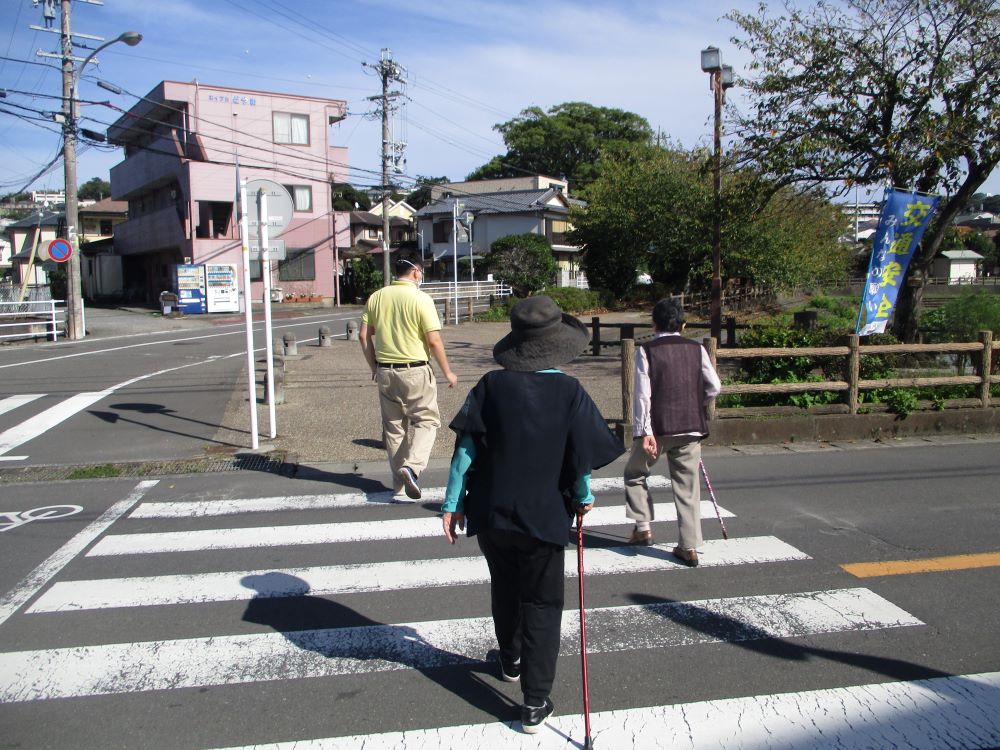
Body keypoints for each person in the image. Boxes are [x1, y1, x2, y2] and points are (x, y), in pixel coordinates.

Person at [440, 295, 624, 734]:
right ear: (558, 343)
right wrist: (583, 496)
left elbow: (465, 448)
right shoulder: (569, 392)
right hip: (543, 514)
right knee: (542, 602)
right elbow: (580, 458)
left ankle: (510, 658)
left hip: (492, 510)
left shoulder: (490, 385)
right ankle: (535, 703)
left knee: (505, 586)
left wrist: (452, 503)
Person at [623, 297, 722, 567]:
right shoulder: (696, 349)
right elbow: (714, 386)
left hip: (658, 428)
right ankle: (688, 546)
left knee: (635, 472)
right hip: (691, 426)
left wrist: (644, 431)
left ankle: (643, 528)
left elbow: (643, 395)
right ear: (684, 324)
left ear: (654, 324)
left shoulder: (647, 350)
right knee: (688, 487)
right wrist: (696, 403)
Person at [359, 254, 458, 502]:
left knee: (394, 430)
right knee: (427, 422)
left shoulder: (377, 297)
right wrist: (447, 372)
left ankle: (399, 488)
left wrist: (374, 366)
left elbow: (363, 336)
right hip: (415, 370)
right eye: (421, 272)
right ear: (415, 272)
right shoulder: (421, 299)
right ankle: (412, 468)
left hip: (385, 371)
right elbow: (433, 340)